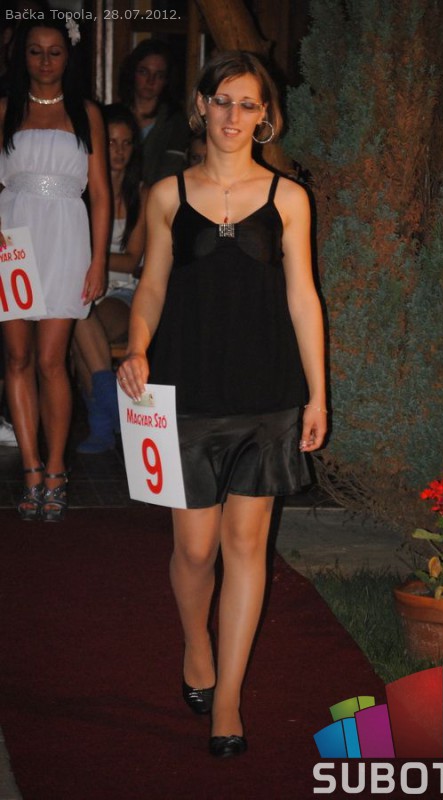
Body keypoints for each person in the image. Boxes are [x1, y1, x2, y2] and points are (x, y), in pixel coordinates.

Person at [117, 50, 327, 758]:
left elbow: (303, 299)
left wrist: (316, 394)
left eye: (248, 103)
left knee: (244, 547)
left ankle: (228, 700)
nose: (234, 115)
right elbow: (150, 285)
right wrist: (135, 346)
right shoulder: (168, 194)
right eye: (223, 100)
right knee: (194, 548)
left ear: (266, 116)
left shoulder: (289, 198)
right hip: (186, 391)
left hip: (268, 395)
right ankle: (195, 644)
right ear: (202, 107)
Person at [0, 13, 110, 520]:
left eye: (55, 51)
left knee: (51, 360)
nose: (45, 61)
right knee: (18, 358)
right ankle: (30, 469)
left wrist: (99, 260)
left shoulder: (86, 113)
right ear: (22, 57)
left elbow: (102, 196)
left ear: (69, 57)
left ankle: (57, 468)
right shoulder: (5, 110)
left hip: (66, 237)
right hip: (13, 240)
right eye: (35, 51)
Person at [72, 103, 147, 454]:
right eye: (112, 142)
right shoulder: (82, 192)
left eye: (126, 143)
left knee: (80, 322)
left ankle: (104, 422)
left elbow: (132, 261)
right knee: (77, 318)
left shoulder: (142, 195)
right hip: (86, 288)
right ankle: (107, 416)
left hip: (125, 292)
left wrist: (92, 257)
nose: (118, 151)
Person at [118, 39, 189, 186]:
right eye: (144, 72)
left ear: (166, 80)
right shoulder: (115, 116)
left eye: (159, 75)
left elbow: (171, 174)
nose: (150, 81)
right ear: (132, 73)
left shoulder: (176, 122)